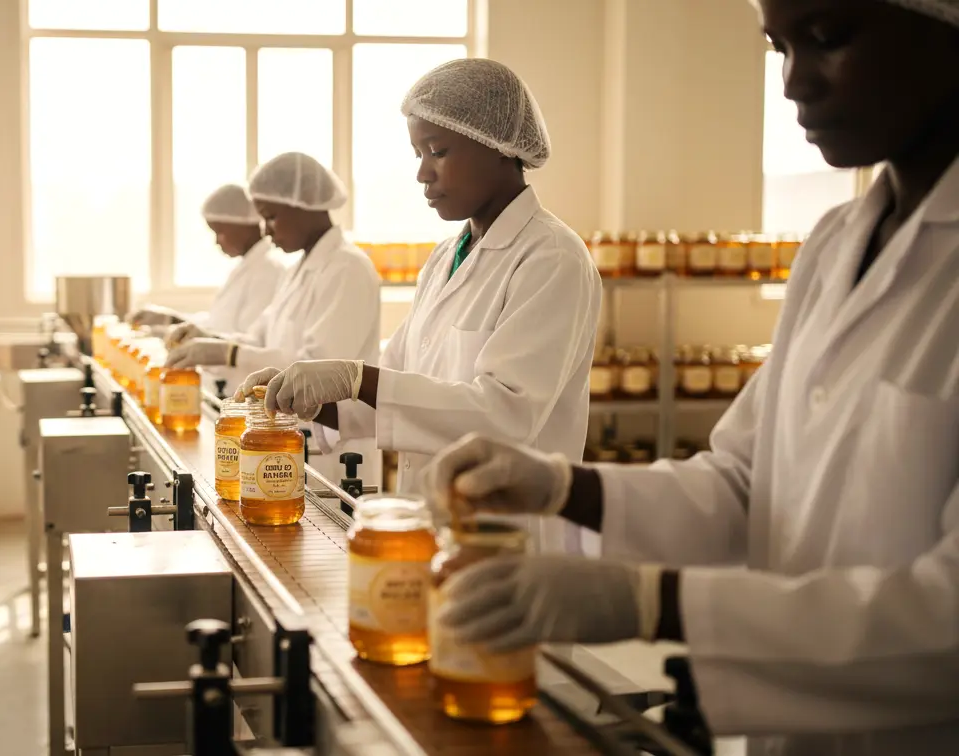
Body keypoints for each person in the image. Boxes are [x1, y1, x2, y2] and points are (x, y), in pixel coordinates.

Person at [423, 1, 959, 753]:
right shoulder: (835, 244)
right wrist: (563, 486)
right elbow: (744, 479)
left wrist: (652, 601)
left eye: (829, 37)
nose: (793, 83)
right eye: (777, 46)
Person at [235, 59, 601, 555]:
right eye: (418, 153)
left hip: (510, 538)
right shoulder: (446, 257)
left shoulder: (551, 258)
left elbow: (504, 416)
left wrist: (356, 376)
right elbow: (398, 387)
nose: (422, 173)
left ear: (498, 146)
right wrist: (305, 400)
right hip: (429, 527)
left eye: (438, 151)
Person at [166, 152, 382, 484]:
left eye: (271, 217)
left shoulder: (346, 268)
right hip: (290, 441)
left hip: (334, 454)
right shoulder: (298, 270)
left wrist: (229, 353)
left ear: (304, 205)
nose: (266, 231)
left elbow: (320, 370)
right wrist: (209, 340)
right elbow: (258, 336)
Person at [130, 184, 286, 335]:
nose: (217, 242)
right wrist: (170, 319)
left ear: (244, 225)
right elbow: (217, 322)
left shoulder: (268, 271)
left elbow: (247, 339)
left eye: (220, 232)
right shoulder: (248, 267)